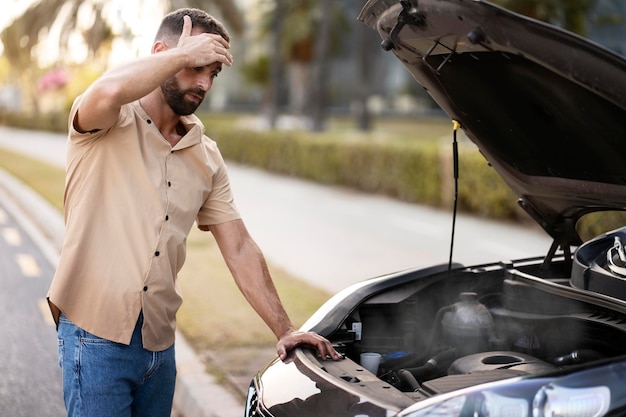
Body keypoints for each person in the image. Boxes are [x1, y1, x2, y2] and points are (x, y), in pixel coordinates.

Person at [47, 8, 342, 417]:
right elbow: (106, 92)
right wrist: (181, 55)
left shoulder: (206, 154)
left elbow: (238, 246)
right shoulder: (108, 119)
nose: (204, 82)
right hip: (93, 339)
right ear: (160, 53)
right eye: (195, 67)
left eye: (213, 72)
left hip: (159, 351)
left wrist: (285, 329)